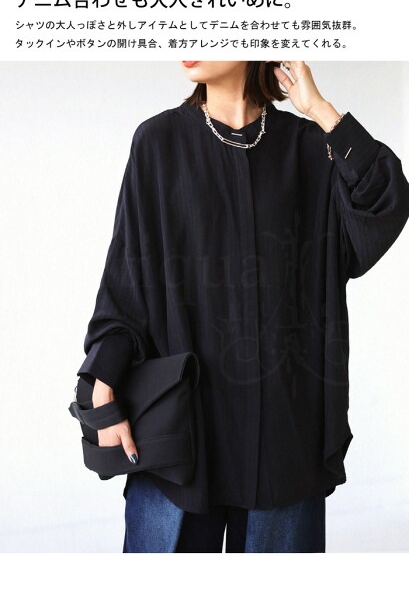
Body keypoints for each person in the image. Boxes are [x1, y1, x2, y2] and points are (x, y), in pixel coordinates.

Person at [77, 61, 409, 552]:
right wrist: (100, 388)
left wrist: (320, 110)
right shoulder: (158, 144)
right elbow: (126, 290)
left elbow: (383, 203)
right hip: (178, 440)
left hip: (284, 442)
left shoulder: (309, 147)